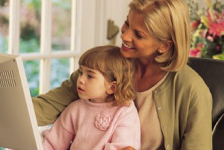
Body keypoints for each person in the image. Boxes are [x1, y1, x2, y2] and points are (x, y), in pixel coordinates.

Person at [32, 0, 213, 149]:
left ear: (164, 45)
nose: (125, 36)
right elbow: (47, 107)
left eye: (139, 35)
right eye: (127, 23)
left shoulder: (192, 90)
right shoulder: (104, 66)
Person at [42, 46, 141, 150]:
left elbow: (125, 146)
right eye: (81, 72)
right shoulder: (75, 109)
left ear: (111, 87)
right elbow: (52, 143)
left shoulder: (125, 111)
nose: (80, 79)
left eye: (90, 76)